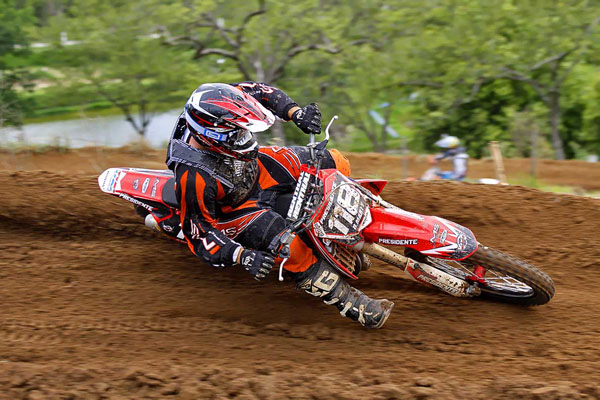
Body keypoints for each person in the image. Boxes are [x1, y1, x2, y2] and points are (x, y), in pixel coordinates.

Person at [164, 82, 393, 328]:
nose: (244, 136)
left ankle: (360, 220)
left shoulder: (219, 101)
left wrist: (296, 113)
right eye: (238, 133)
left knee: (335, 161)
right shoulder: (193, 176)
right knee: (289, 247)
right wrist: (242, 256)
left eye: (244, 130)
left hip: (253, 168)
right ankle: (350, 302)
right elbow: (199, 233)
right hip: (235, 208)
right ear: (212, 137)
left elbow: (262, 92)